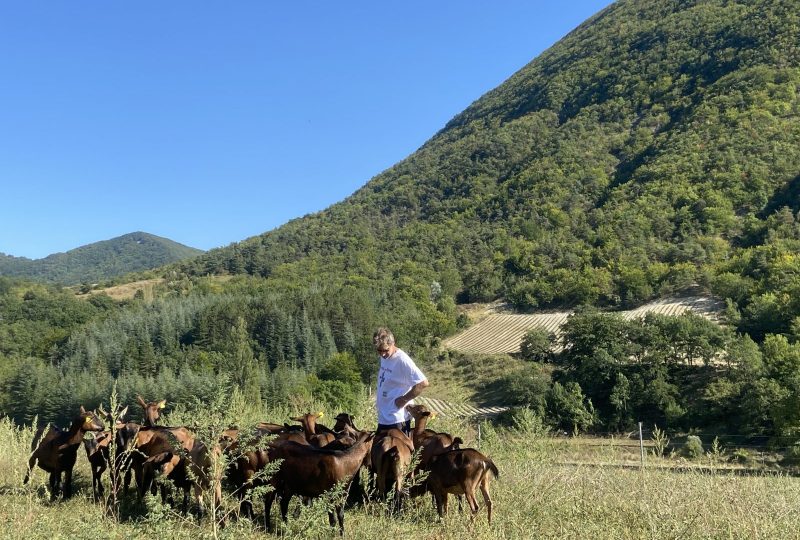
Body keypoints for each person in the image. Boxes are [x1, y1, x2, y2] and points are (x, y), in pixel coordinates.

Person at [373, 327, 429, 435]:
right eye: (379, 351)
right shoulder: (384, 357)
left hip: (397, 419)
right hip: (384, 417)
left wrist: (404, 399)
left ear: (392, 343)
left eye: (385, 350)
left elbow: (423, 383)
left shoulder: (402, 360)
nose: (382, 354)